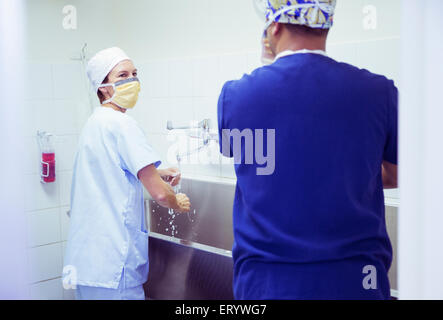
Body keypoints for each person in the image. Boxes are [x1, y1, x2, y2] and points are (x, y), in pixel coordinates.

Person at [218, 0, 398, 300]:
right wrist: (344, 171)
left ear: (273, 26)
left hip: (267, 283)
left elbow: (247, 165)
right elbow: (394, 173)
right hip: (355, 282)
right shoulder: (380, 92)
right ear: (326, 24)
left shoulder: (235, 96)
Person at [63, 47, 191, 300]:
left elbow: (109, 170)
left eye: (134, 73)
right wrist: (177, 201)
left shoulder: (95, 123)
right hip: (114, 264)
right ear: (103, 87)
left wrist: (158, 171)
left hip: (86, 262)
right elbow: (160, 195)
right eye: (122, 75)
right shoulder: (123, 124)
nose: (132, 80)